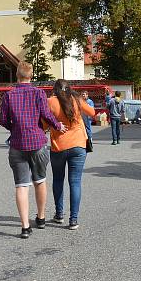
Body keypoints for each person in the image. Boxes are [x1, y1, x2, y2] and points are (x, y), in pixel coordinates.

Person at [0, 61, 66, 239]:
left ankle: (25, 226)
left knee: (21, 186)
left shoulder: (9, 95)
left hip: (17, 144)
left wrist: (13, 129)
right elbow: (46, 114)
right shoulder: (38, 93)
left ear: (17, 75)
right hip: (37, 142)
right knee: (40, 181)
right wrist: (57, 125)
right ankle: (42, 217)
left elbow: (3, 119)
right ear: (31, 75)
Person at [47, 80, 95, 230]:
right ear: (69, 88)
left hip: (58, 146)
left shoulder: (50, 101)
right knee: (75, 182)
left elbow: (43, 124)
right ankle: (73, 219)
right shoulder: (76, 99)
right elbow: (92, 113)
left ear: (54, 90)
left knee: (58, 180)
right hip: (78, 145)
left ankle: (59, 214)